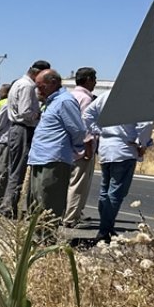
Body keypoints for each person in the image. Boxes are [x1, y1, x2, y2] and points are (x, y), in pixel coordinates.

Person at [86, 92, 154, 242]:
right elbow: (147, 124)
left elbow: (87, 115)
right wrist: (141, 143)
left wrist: (99, 131)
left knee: (105, 190)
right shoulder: (135, 97)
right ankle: (104, 230)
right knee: (116, 192)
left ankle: (107, 228)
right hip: (124, 149)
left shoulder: (105, 96)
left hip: (106, 147)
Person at [25, 69, 87, 224]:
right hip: (40, 158)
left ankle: (47, 241)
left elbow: (78, 130)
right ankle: (35, 242)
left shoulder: (65, 101)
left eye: (41, 87)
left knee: (48, 205)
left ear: (53, 83)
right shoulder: (52, 102)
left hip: (53, 160)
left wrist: (76, 149)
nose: (38, 91)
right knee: (36, 204)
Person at [0, 60, 51, 217]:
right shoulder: (27, 86)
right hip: (23, 128)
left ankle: (9, 204)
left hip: (17, 128)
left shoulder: (19, 83)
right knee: (18, 170)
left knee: (15, 169)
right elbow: (25, 111)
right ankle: (8, 206)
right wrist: (39, 114)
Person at [62, 67, 100, 227]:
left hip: (68, 147)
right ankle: (71, 218)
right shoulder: (85, 99)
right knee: (78, 184)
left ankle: (70, 213)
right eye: (94, 79)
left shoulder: (70, 96)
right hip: (81, 149)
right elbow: (84, 125)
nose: (96, 82)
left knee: (68, 183)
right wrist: (89, 148)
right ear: (88, 79)